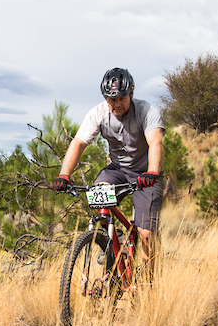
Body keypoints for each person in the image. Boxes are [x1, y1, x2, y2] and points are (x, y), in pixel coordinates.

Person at [51, 67, 165, 278]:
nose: (116, 104)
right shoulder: (99, 113)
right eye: (111, 99)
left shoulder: (146, 111)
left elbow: (155, 141)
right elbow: (78, 143)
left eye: (121, 98)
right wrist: (64, 175)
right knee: (97, 196)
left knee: (146, 234)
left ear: (131, 93)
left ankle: (150, 285)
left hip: (146, 173)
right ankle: (115, 240)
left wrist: (152, 171)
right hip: (117, 170)